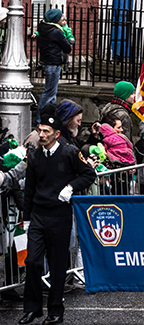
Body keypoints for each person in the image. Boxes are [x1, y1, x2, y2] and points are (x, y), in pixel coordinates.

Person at [20, 107, 96, 325]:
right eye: (39, 130)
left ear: (57, 134)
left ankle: (55, 310)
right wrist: (26, 219)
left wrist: (71, 186)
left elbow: (89, 174)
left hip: (60, 216)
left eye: (46, 131)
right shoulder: (34, 156)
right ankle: (33, 308)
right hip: (38, 216)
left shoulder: (70, 153)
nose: (41, 135)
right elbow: (31, 189)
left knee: (57, 264)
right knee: (33, 262)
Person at [36, 8, 72, 125]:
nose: (63, 18)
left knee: (52, 93)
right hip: (54, 63)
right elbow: (67, 47)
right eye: (61, 16)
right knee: (49, 92)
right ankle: (39, 119)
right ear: (55, 19)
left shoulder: (43, 28)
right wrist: (68, 40)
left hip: (47, 62)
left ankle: (49, 118)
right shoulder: (56, 31)